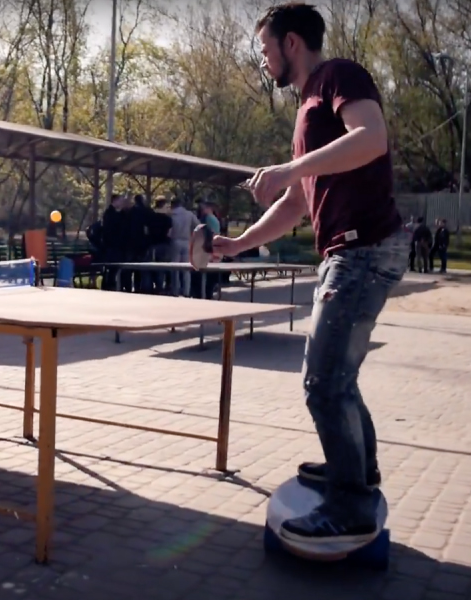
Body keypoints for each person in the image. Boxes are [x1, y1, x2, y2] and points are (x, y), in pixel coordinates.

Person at [213, 4, 408, 545]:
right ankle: (358, 475)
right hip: (355, 252)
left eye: (265, 49)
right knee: (337, 379)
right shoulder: (309, 108)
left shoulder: (336, 77)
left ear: (291, 43)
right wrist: (239, 244)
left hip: (364, 250)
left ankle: (350, 506)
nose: (263, 60)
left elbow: (372, 138)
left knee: (323, 383)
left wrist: (289, 167)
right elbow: (299, 201)